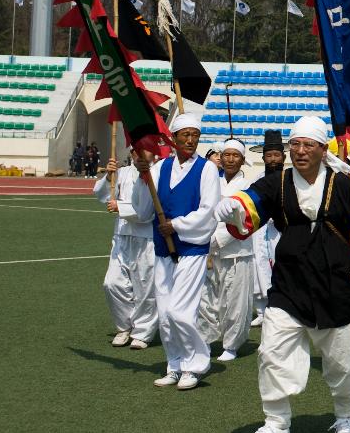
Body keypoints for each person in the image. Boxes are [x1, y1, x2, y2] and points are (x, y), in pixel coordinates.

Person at [216, 115, 350, 433]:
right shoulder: (276, 183)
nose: (300, 151)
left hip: (340, 286)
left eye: (308, 145)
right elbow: (249, 205)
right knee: (272, 352)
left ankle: (347, 417)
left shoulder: (344, 186)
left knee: (345, 359)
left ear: (324, 150)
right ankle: (277, 426)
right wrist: (233, 207)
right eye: (295, 145)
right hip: (290, 285)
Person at [130, 112, 222, 391]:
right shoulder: (160, 168)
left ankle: (195, 364)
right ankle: (174, 364)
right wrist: (142, 176)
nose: (192, 140)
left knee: (180, 312)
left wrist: (178, 226)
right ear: (174, 139)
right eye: (186, 135)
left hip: (192, 248)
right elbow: (143, 209)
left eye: (195, 135)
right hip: (163, 250)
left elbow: (209, 211)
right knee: (165, 312)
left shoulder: (206, 169)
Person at [197, 138, 256, 362]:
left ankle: (231, 344)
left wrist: (216, 239)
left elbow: (247, 221)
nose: (230, 159)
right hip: (209, 250)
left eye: (235, 155)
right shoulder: (211, 181)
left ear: (242, 160)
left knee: (235, 300)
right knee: (207, 299)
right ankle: (207, 338)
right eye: (226, 155)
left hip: (237, 251)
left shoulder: (248, 186)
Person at [94, 156, 157, 350]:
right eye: (136, 151)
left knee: (145, 287)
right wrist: (107, 176)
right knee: (112, 283)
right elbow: (102, 195)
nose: (140, 155)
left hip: (146, 237)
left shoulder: (157, 173)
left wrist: (120, 207)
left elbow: (148, 210)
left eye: (145, 150)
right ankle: (124, 327)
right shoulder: (123, 172)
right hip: (121, 235)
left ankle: (143, 332)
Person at [251, 130, 286, 326]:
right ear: (263, 158)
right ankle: (262, 310)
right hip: (261, 228)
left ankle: (279, 308)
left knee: (279, 266)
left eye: (276, 155)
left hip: (281, 229)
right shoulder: (257, 178)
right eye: (269, 156)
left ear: (283, 156)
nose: (272, 160)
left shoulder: (289, 177)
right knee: (260, 266)